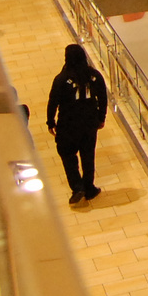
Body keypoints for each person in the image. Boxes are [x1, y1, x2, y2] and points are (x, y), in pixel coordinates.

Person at [46, 43, 107, 206]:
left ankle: (77, 186)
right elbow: (103, 98)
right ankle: (89, 187)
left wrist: (50, 121)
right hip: (89, 124)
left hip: (68, 125)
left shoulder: (61, 79)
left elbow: (53, 102)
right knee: (88, 156)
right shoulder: (94, 76)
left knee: (67, 155)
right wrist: (101, 117)